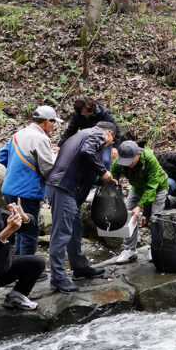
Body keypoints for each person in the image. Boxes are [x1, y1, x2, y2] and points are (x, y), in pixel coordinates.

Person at [44, 121, 116, 292]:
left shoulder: (83, 135)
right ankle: (58, 278)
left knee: (75, 229)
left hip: (66, 188)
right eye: (111, 142)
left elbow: (84, 166)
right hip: (64, 187)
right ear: (109, 134)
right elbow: (87, 152)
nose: (108, 145)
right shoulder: (96, 134)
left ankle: (79, 267)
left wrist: (103, 179)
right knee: (61, 234)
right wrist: (104, 171)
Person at [0, 105, 59, 257]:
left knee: (18, 227)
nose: (54, 126)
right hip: (27, 191)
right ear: (46, 121)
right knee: (30, 229)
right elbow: (48, 169)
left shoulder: (18, 134)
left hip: (9, 188)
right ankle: (28, 268)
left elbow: (2, 156)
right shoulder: (41, 138)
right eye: (53, 122)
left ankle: (18, 263)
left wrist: (17, 170)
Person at [111, 141, 168, 264]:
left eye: (130, 161)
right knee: (128, 214)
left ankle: (155, 248)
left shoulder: (150, 159)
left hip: (158, 187)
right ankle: (129, 250)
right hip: (137, 188)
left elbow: (152, 187)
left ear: (138, 155)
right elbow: (113, 176)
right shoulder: (119, 161)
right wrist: (113, 191)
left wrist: (140, 206)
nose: (129, 165)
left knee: (155, 218)